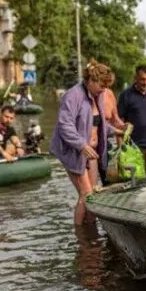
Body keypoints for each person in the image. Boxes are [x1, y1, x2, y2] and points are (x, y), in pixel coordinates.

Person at [49, 60, 115, 226]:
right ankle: (81, 235)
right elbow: (65, 125)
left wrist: (119, 130)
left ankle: (91, 226)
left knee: (92, 195)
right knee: (86, 195)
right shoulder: (73, 96)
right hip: (74, 151)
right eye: (101, 85)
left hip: (91, 152)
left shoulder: (97, 96)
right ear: (91, 81)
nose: (104, 90)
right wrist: (82, 145)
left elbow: (98, 124)